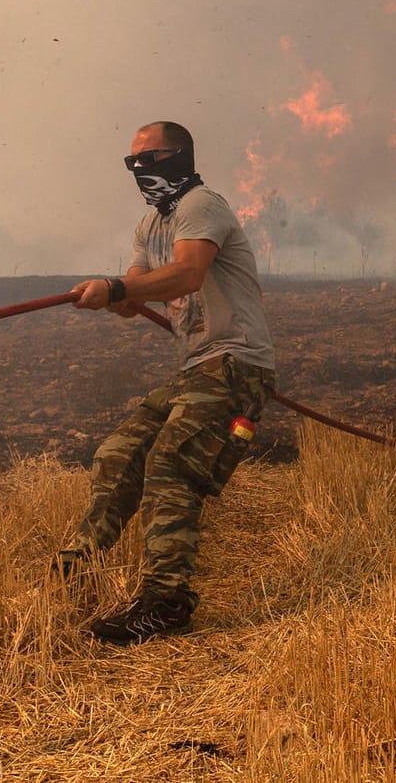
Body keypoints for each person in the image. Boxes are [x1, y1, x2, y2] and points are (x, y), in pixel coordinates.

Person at [56, 121, 277, 645]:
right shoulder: (148, 226)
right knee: (118, 453)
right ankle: (78, 566)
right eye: (132, 162)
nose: (139, 171)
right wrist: (110, 296)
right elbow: (135, 301)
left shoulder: (202, 206)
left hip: (236, 366)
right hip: (195, 369)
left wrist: (116, 286)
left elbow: (186, 275)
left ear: (179, 157)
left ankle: (166, 603)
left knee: (171, 463)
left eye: (149, 159)